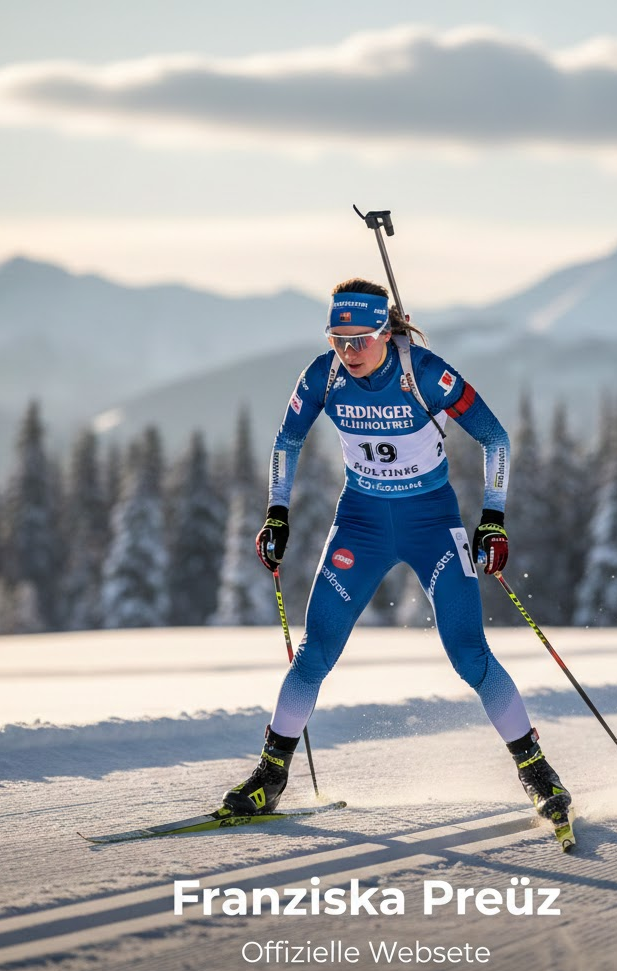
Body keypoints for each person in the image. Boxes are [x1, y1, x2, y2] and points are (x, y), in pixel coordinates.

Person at [222, 278, 570, 821]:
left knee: (470, 656)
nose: (350, 351)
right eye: (339, 338)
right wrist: (277, 512)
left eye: (361, 338)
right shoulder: (324, 374)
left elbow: (496, 436)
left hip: (431, 523)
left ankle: (538, 774)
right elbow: (287, 441)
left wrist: (494, 520)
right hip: (359, 524)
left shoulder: (425, 373)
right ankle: (270, 776)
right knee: (315, 653)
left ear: (386, 331)